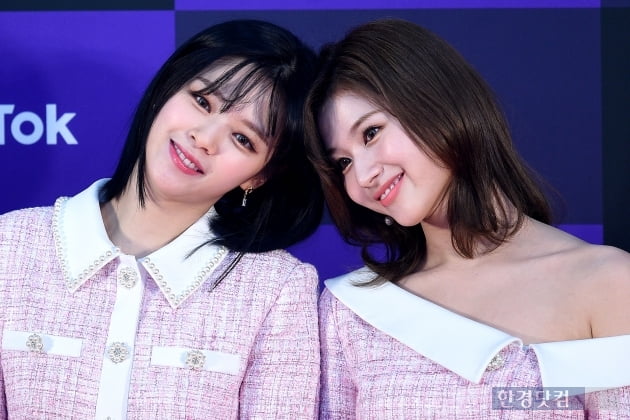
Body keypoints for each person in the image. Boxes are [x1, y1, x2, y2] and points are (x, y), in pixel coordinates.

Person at [305, 18, 630, 419]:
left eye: (371, 132)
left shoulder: (606, 283)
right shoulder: (350, 311)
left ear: (438, 103)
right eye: (343, 162)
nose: (363, 175)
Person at [0, 19, 323, 419]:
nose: (204, 138)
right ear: (166, 90)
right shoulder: (10, 247)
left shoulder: (276, 290)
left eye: (243, 139)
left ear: (260, 175)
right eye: (202, 101)